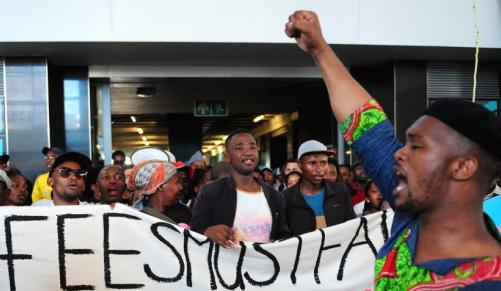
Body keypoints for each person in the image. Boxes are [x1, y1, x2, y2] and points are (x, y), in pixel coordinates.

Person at [286, 10, 501, 289]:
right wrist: (319, 49)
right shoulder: (416, 208)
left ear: (462, 167)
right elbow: (369, 129)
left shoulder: (487, 281)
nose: (399, 153)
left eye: (417, 147)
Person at [191, 128, 290, 247]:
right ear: (227, 157)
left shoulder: (275, 196)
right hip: (226, 264)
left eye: (252, 147)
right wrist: (207, 232)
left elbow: (284, 235)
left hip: (265, 264)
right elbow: (194, 232)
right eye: (239, 148)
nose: (248, 152)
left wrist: (277, 244)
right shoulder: (210, 192)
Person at [283, 140, 355, 235]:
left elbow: (352, 225)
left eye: (323, 163)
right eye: (312, 163)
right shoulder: (286, 197)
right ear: (299, 164)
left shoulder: (340, 190)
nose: (319, 169)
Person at [129, 160, 191, 225]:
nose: (181, 187)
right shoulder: (141, 221)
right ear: (160, 186)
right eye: (177, 182)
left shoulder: (184, 213)